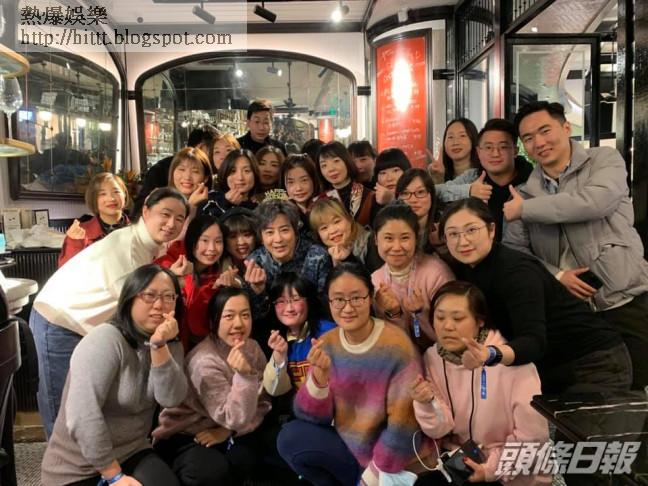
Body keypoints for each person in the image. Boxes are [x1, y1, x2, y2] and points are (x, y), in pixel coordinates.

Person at [503, 101, 648, 389]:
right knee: (592, 397)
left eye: (545, 131)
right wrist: (556, 277)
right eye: (528, 138)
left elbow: (595, 202)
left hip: (625, 299)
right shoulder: (522, 193)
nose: (538, 142)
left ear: (566, 128)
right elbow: (517, 254)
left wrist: (526, 211)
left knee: (640, 392)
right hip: (573, 314)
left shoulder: (604, 160)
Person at [31, 187, 189, 437]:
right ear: (146, 211)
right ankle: (60, 461)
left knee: (85, 404)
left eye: (179, 218)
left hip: (85, 323)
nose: (172, 224)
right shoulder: (127, 247)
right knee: (64, 408)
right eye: (165, 214)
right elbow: (133, 308)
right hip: (60, 320)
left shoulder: (146, 245)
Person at [439, 197, 632, 394]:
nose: (463, 241)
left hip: (593, 363)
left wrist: (490, 354)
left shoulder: (517, 272)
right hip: (550, 367)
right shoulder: (464, 267)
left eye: (471, 230)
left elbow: (533, 342)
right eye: (453, 234)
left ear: (491, 229)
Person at [40, 264, 187, 486]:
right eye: (149, 295)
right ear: (130, 299)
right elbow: (82, 415)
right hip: (76, 466)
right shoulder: (105, 340)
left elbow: (171, 399)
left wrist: (159, 347)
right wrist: (114, 475)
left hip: (132, 451)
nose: (159, 305)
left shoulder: (167, 342)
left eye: (169, 297)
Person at [277, 263, 421, 486]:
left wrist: (373, 476)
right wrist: (319, 379)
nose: (347, 308)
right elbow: (311, 417)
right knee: (290, 437)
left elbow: (404, 426)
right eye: (338, 299)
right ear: (329, 302)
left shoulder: (396, 346)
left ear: (370, 298)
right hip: (349, 447)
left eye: (356, 298)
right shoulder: (327, 342)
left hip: (389, 459)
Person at [412, 281, 550, 486]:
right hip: (463, 463)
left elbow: (533, 438)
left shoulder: (512, 362)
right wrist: (426, 403)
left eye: (458, 318)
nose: (447, 326)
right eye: (440, 317)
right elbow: (439, 430)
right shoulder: (432, 358)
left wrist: (490, 470)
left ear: (480, 321)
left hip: (511, 475)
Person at [153, 287, 292, 485]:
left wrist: (229, 431)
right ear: (213, 321)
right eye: (229, 316)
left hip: (229, 425)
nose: (239, 323)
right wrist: (244, 377)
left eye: (245, 315)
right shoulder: (204, 361)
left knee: (268, 448)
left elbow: (263, 402)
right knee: (217, 468)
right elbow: (234, 417)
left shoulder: (251, 347)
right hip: (188, 432)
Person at [431, 119, 533, 242]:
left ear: (515, 151)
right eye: (488, 147)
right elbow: (433, 192)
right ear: (479, 152)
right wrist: (468, 190)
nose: (495, 154)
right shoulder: (473, 177)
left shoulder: (532, 182)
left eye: (503, 147)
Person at [371, 203, 454, 346]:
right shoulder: (376, 280)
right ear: (376, 239)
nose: (396, 247)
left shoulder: (436, 273)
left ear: (416, 239)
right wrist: (394, 314)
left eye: (405, 238)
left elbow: (453, 331)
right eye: (388, 238)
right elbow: (392, 343)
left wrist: (421, 313)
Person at [245, 199, 331, 320]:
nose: (278, 239)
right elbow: (255, 317)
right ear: (261, 238)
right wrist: (259, 292)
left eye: (284, 230)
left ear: (295, 232)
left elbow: (327, 307)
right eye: (269, 232)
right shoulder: (255, 262)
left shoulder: (318, 256)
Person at [262, 273, 336, 410]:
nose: (289, 308)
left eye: (296, 300)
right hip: (303, 413)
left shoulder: (328, 332)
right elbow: (275, 390)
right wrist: (279, 355)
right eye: (281, 301)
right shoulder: (277, 339)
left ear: (309, 302)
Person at [156, 215, 224, 349]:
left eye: (218, 241)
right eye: (204, 240)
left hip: (183, 348)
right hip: (157, 342)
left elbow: (198, 328)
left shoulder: (216, 276)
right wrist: (172, 278)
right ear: (192, 239)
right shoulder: (167, 264)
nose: (212, 248)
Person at [132, 125, 218, 219]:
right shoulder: (159, 201)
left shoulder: (213, 206)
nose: (187, 176)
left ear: (206, 177)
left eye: (195, 171)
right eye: (214, 151)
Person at [58, 172, 130, 267]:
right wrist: (73, 242)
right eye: (103, 194)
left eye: (116, 192)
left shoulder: (138, 229)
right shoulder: (80, 232)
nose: (111, 198)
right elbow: (67, 270)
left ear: (124, 194)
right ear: (93, 199)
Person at [309, 197, 381, 271]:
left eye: (336, 222)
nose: (332, 231)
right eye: (324, 228)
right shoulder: (321, 257)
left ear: (349, 219)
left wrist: (348, 259)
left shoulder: (372, 243)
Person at [316, 141, 376, 226]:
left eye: (336, 161)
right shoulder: (320, 202)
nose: (331, 169)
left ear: (347, 161)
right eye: (324, 165)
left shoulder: (370, 197)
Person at [200, 149, 261, 218]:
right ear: (225, 173)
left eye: (246, 171)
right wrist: (225, 202)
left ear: (255, 174)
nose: (240, 177)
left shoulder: (259, 209)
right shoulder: (210, 199)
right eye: (233, 171)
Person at [395, 168, 438, 254]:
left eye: (420, 192)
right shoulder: (389, 228)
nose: (413, 200)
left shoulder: (444, 228)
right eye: (405, 193)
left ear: (431, 195)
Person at [280, 153, 322, 228]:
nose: (298, 188)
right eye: (291, 182)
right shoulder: (281, 212)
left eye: (304, 180)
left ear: (313, 180)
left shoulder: (327, 204)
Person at [220, 207, 260, 277]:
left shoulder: (268, 263)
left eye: (247, 235)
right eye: (233, 237)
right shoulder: (215, 268)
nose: (241, 242)